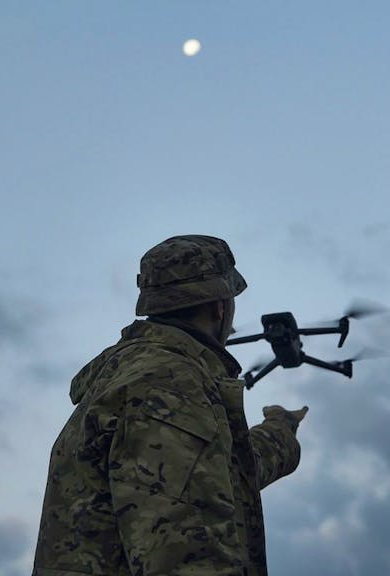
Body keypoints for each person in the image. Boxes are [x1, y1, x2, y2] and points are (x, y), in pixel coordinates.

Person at [33, 235, 309, 576]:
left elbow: (222, 470)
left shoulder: (133, 378)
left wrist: (280, 432)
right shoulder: (168, 385)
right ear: (219, 307)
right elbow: (186, 552)